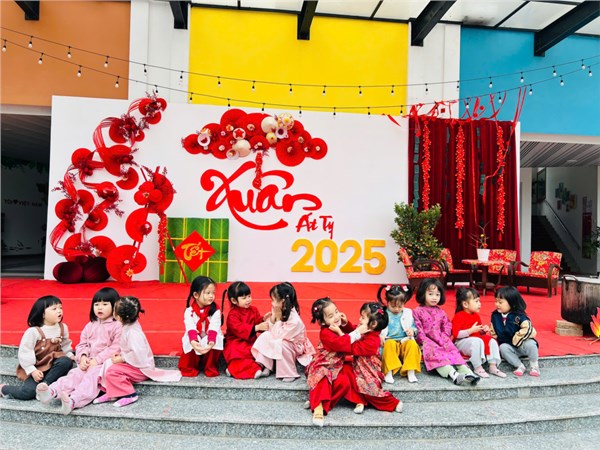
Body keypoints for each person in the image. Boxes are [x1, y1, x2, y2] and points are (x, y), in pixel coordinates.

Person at [36, 287, 123, 414]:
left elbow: (116, 347)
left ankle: (74, 400)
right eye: (96, 304)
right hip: (88, 361)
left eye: (105, 304)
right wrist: (82, 357)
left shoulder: (118, 325)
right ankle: (52, 391)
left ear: (115, 306)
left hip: (105, 364)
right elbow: (83, 344)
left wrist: (97, 360)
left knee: (90, 380)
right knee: (74, 374)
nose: (100, 308)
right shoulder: (90, 325)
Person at [93, 296, 181, 407]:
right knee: (108, 363)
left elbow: (139, 354)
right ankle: (112, 393)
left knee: (113, 371)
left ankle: (129, 394)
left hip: (141, 368)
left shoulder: (133, 333)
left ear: (119, 317)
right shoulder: (128, 325)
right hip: (134, 363)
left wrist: (122, 358)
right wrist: (121, 354)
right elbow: (131, 349)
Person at [0, 296, 74, 400]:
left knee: (66, 362)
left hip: (54, 365)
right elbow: (25, 352)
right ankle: (4, 389)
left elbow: (65, 344)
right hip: (38, 367)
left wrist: (70, 354)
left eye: (60, 308)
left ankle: (44, 387)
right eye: (54, 309)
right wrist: (32, 370)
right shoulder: (33, 332)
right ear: (43, 314)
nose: (59, 311)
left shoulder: (63, 327)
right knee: (27, 392)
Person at [307, 297, 366, 427]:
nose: (336, 316)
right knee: (321, 378)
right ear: (323, 322)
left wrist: (345, 324)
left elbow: (349, 333)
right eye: (331, 316)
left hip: (337, 365)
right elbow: (342, 343)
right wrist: (356, 332)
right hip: (323, 365)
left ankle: (358, 399)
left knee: (347, 377)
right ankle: (318, 407)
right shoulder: (325, 333)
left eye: (336, 311)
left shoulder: (336, 326)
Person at [412, 278, 480, 386]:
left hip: (441, 339)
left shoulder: (441, 312)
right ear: (422, 293)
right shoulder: (417, 311)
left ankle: (468, 372)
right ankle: (453, 374)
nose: (434, 297)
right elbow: (418, 328)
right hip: (427, 342)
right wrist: (424, 340)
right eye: (430, 294)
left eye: (437, 294)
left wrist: (444, 337)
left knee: (452, 350)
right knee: (435, 354)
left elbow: (447, 326)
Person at [251, 282, 315, 381]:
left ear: (283, 301)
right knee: (266, 335)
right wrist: (272, 318)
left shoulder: (295, 321)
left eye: (273, 300)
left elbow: (279, 336)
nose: (272, 303)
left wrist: (277, 319)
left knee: (282, 344)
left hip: (294, 345)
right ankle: (266, 365)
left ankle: (289, 373)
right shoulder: (279, 309)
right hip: (281, 337)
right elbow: (271, 331)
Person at [350, 302, 403, 414]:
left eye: (363, 317)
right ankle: (360, 401)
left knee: (371, 388)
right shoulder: (366, 330)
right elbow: (353, 329)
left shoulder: (373, 340)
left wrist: (345, 335)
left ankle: (393, 402)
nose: (359, 319)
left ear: (373, 324)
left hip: (368, 369)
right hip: (358, 367)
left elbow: (353, 348)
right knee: (353, 381)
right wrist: (345, 324)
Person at [452, 287, 506, 378]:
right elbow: (456, 334)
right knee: (477, 341)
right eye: (476, 301)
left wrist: (482, 331)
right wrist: (470, 331)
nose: (479, 304)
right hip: (461, 342)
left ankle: (493, 365)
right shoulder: (458, 316)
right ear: (465, 304)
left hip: (474, 340)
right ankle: (477, 367)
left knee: (491, 341)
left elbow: (478, 333)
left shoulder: (476, 316)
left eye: (479, 301)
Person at [222, 281, 270, 379]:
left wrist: (263, 320)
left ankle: (248, 369)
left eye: (249, 296)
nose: (248, 300)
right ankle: (234, 369)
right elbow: (239, 329)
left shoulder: (254, 310)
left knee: (256, 351)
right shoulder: (232, 314)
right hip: (235, 341)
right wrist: (257, 327)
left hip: (250, 341)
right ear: (234, 300)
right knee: (237, 352)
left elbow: (257, 321)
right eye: (244, 298)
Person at [178, 276, 224, 377]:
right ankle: (190, 367)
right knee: (189, 338)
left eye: (213, 293)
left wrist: (211, 342)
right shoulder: (189, 311)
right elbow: (190, 327)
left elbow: (214, 327)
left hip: (210, 335)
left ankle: (210, 367)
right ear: (196, 295)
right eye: (208, 293)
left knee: (216, 337)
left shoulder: (215, 310)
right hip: (196, 335)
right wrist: (194, 341)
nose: (211, 296)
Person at [490, 286, 540, 377]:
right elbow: (493, 332)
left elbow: (529, 329)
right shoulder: (495, 316)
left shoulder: (519, 316)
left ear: (512, 303)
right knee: (503, 348)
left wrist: (517, 339)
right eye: (496, 301)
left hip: (522, 344)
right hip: (509, 346)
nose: (497, 304)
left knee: (531, 344)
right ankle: (519, 366)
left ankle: (534, 365)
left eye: (500, 302)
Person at [377, 284, 422, 384]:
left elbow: (414, 327)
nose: (397, 309)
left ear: (404, 302)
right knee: (389, 344)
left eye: (400, 306)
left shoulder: (408, 313)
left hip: (404, 341)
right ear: (387, 302)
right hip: (390, 340)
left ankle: (411, 371)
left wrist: (412, 331)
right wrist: (380, 336)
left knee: (412, 344)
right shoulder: (383, 313)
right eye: (393, 306)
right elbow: (377, 328)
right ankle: (388, 371)